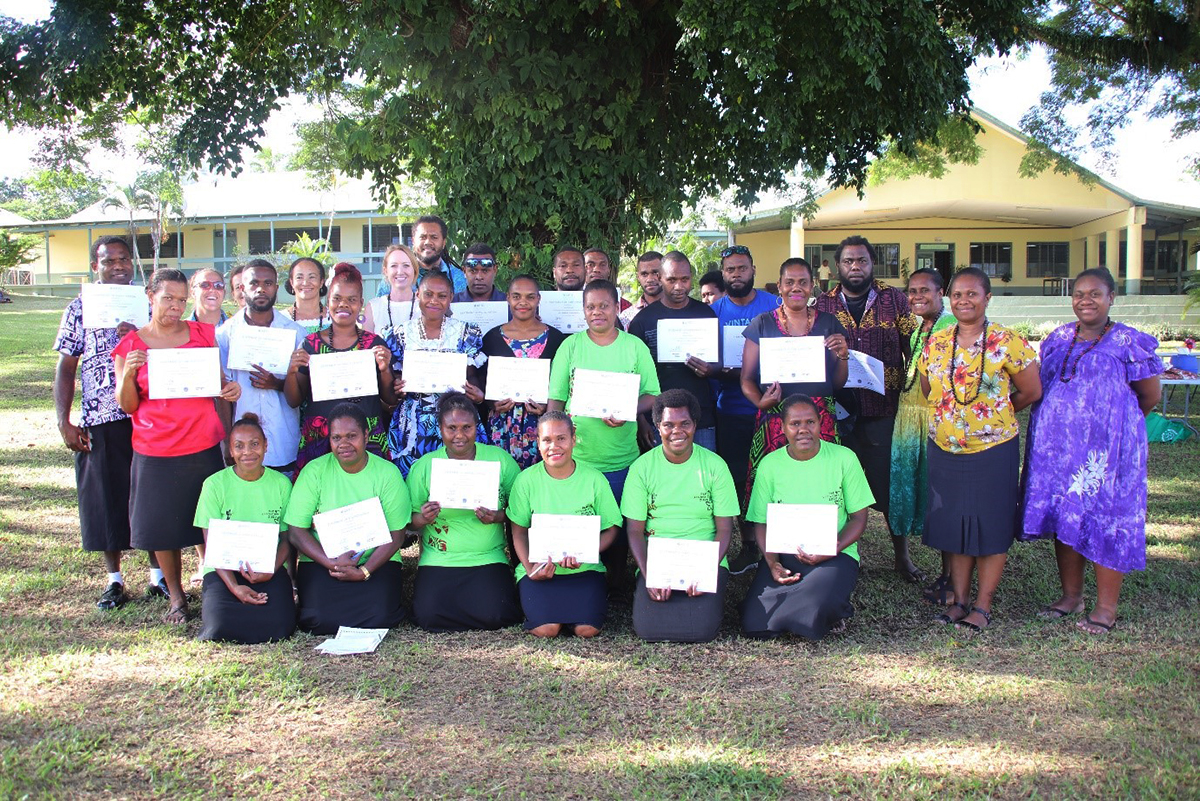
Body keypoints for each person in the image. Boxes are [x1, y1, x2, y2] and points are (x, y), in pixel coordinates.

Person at [1021, 267, 1163, 635]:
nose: (1086, 300)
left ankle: (1105, 608)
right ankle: (1071, 597)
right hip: (1057, 451)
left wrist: (1111, 428)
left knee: (1105, 521)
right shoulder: (1058, 337)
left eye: (1095, 294)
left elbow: (1149, 396)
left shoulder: (1130, 342)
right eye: (1079, 294)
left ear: (1111, 297)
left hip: (1107, 456)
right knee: (1065, 519)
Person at [112, 268, 241, 624]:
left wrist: (229, 389)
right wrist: (127, 375)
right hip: (155, 448)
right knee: (161, 527)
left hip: (202, 443)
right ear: (150, 297)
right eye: (167, 298)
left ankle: (215, 582)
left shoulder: (202, 334)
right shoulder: (130, 346)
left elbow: (216, 383)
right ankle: (176, 596)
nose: (175, 306)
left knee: (210, 521)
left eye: (182, 299)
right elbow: (128, 405)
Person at [918, 267, 1041, 632]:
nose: (964, 301)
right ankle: (958, 601)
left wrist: (992, 416)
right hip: (944, 449)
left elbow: (1031, 391)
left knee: (989, 526)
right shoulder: (937, 342)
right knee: (954, 526)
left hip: (993, 451)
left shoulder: (1008, 341)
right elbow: (929, 391)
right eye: (957, 295)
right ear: (948, 299)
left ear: (988, 298)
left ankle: (983, 606)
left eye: (972, 294)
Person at [53, 235, 163, 609]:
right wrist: (64, 421)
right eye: (108, 260)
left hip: (146, 416)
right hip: (99, 416)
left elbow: (170, 353)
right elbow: (67, 367)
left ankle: (158, 577)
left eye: (123, 259)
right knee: (103, 497)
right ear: (94, 266)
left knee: (148, 495)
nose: (118, 266)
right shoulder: (79, 307)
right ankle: (114, 581)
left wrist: (138, 336)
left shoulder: (149, 305)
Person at [815, 235, 921, 583]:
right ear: (838, 266)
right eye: (848, 261)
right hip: (837, 409)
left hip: (883, 406)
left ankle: (901, 555)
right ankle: (836, 552)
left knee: (889, 483)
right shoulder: (823, 305)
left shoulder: (895, 300)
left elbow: (915, 347)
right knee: (835, 484)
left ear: (872, 263)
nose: (855, 267)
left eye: (861, 260)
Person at [548, 279, 661, 577]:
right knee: (582, 518)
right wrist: (553, 440)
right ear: (583, 310)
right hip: (579, 455)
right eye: (591, 307)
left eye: (604, 306)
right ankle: (583, 574)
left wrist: (628, 411)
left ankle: (616, 581)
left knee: (619, 522)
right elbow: (556, 399)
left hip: (621, 455)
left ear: (616, 307)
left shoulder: (634, 347)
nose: (597, 312)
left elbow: (652, 394)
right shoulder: (570, 346)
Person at [741, 395, 873, 640]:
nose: (803, 430)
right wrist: (772, 563)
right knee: (754, 624)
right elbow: (761, 522)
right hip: (785, 554)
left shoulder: (844, 458)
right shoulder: (770, 464)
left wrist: (833, 548)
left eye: (810, 422)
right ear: (782, 427)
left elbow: (858, 519)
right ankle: (803, 606)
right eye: (795, 424)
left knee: (819, 602)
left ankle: (825, 607)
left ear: (821, 422)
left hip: (834, 554)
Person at [284, 403, 410, 634]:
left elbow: (397, 534)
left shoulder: (387, 473)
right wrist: (332, 563)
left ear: (366, 435)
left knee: (381, 616)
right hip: (324, 562)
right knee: (318, 620)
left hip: (376, 561)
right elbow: (296, 530)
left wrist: (364, 571)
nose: (344, 444)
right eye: (336, 437)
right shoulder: (315, 472)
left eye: (352, 436)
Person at [740, 258, 850, 522]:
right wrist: (761, 402)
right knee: (776, 484)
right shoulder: (762, 324)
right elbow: (746, 380)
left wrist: (844, 356)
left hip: (819, 418)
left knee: (819, 481)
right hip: (775, 418)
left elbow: (836, 384)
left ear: (812, 286)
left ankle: (819, 539)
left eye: (803, 282)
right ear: (779, 286)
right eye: (789, 282)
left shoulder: (829, 323)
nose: (796, 288)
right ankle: (772, 550)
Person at [624, 389, 738, 643]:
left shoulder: (715, 466)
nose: (677, 431)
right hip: (659, 561)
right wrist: (650, 573)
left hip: (704, 558)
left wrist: (704, 569)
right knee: (648, 630)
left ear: (695, 425)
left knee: (702, 630)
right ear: (657, 426)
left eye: (685, 423)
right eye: (668, 424)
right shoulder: (641, 468)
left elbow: (724, 530)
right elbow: (634, 530)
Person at [406, 393, 522, 631]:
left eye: (467, 427)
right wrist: (423, 518)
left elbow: (520, 512)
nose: (459, 435)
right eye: (452, 428)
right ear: (440, 429)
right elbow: (408, 523)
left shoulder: (499, 460)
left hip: (487, 556)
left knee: (497, 615)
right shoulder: (424, 467)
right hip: (440, 558)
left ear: (476, 427)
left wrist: (497, 516)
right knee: (428, 617)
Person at [507, 412, 622, 637]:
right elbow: (518, 533)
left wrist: (587, 552)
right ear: (537, 442)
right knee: (546, 629)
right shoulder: (526, 480)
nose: (554, 446)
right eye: (547, 440)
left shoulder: (594, 479)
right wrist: (531, 569)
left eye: (561, 438)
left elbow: (612, 528)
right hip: (541, 570)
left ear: (573, 439)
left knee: (587, 630)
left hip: (584, 570)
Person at [285, 262, 397, 473]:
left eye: (351, 300)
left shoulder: (374, 344)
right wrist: (292, 371)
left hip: (367, 437)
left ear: (361, 303)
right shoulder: (311, 345)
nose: (343, 304)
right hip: (320, 438)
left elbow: (390, 399)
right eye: (337, 299)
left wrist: (384, 369)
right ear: (328, 302)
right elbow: (293, 400)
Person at [194, 413, 296, 643]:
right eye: (239, 446)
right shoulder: (214, 485)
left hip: (268, 568)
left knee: (282, 626)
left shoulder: (281, 484)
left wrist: (270, 569)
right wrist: (234, 586)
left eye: (255, 444)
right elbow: (211, 544)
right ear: (230, 451)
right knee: (218, 627)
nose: (247, 452)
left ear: (266, 446)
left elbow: (288, 537)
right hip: (224, 570)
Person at [709, 244, 780, 573]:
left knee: (775, 477)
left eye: (742, 268)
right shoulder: (712, 312)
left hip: (775, 409)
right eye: (730, 270)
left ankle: (781, 544)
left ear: (753, 270)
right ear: (723, 275)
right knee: (739, 478)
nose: (736, 274)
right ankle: (750, 545)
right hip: (732, 408)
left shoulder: (774, 306)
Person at [888, 268, 956, 603]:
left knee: (941, 497)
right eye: (912, 291)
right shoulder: (918, 330)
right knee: (915, 491)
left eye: (924, 291)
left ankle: (950, 577)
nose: (916, 297)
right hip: (908, 419)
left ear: (940, 291)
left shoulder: (950, 328)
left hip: (933, 422)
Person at [385, 271, 487, 476]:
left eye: (442, 296)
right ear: (417, 295)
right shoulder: (399, 334)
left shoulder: (466, 332)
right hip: (413, 422)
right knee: (414, 477)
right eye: (428, 294)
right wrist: (397, 386)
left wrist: (477, 394)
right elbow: (394, 381)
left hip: (457, 419)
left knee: (460, 476)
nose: (434, 301)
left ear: (450, 298)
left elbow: (472, 376)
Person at [216, 259, 308, 478]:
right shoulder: (225, 335)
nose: (261, 289)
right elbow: (222, 394)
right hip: (242, 445)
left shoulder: (296, 333)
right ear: (242, 288)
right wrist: (229, 439)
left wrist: (276, 383)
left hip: (282, 435)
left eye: (268, 283)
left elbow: (303, 394)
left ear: (276, 288)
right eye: (254, 283)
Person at [626, 251, 719, 451]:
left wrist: (709, 370)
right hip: (658, 420)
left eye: (684, 279)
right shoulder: (642, 321)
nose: (679, 286)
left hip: (700, 417)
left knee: (703, 477)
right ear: (660, 278)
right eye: (672, 280)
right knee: (662, 480)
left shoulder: (705, 313)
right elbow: (633, 376)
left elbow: (719, 364)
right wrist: (640, 420)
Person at [479, 274, 568, 467]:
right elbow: (481, 381)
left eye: (530, 297)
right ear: (508, 298)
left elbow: (563, 383)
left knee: (539, 480)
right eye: (516, 296)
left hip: (541, 425)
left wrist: (548, 408)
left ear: (538, 299)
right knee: (503, 476)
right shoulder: (491, 338)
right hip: (502, 425)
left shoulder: (556, 339)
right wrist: (492, 403)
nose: (523, 302)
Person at [363, 244, 417, 336]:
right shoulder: (373, 308)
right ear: (385, 271)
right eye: (393, 266)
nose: (400, 271)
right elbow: (366, 347)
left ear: (414, 270)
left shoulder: (425, 307)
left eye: (406, 265)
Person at [412, 214, 467, 295]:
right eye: (422, 237)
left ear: (444, 242)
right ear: (413, 241)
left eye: (434, 237)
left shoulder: (459, 279)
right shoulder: (399, 277)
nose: (428, 242)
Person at [283, 257, 330, 334]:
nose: (305, 283)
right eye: (299, 277)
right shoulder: (281, 319)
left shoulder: (334, 318)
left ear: (321, 282)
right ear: (292, 282)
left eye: (312, 277)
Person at [618, 251, 663, 328]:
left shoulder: (681, 309)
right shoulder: (626, 317)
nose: (650, 279)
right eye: (644, 274)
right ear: (638, 277)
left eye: (655, 273)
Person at [583, 248, 632, 313]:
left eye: (602, 265)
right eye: (590, 265)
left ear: (609, 270)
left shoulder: (624, 306)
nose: (597, 269)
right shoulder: (569, 302)